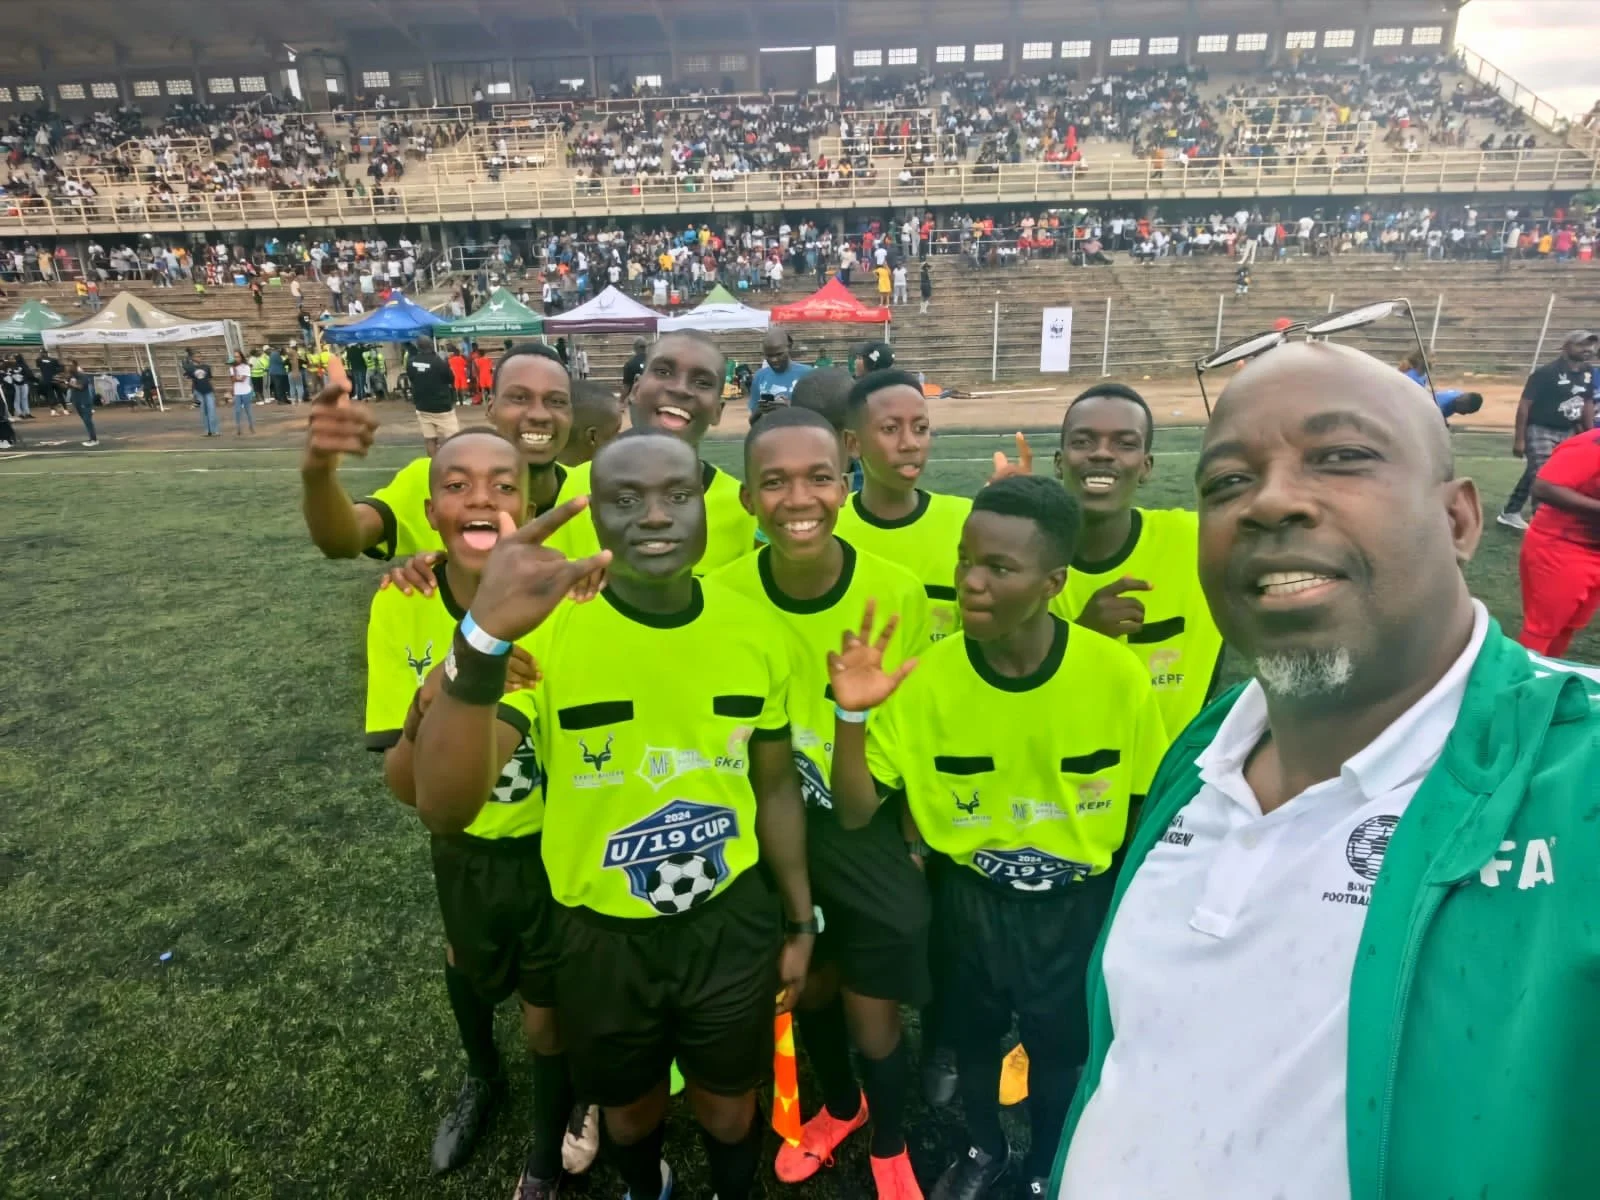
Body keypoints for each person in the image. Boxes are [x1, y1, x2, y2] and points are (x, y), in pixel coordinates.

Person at [1053, 341, 1600, 1200]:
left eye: (1342, 456)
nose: (1270, 501)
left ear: (1459, 520)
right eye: (1228, 481)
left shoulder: (1578, 770)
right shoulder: (1203, 754)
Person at [412, 430, 815, 1200]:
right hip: (597, 936)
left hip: (727, 923)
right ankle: (643, 1185)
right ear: (593, 515)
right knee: (629, 1114)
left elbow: (774, 788)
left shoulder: (758, 632)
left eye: (677, 495)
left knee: (731, 1107)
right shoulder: (546, 632)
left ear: (707, 507)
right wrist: (483, 636)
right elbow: (444, 806)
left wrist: (799, 921)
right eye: (626, 500)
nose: (655, 516)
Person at [829, 475, 1165, 1200]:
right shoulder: (926, 681)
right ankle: (984, 1148)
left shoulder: (1116, 676)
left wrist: (1122, 910)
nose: (970, 583)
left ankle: (1045, 1162)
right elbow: (854, 812)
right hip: (968, 902)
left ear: (1053, 583)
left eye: (999, 568)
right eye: (965, 560)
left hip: (1075, 907)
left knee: (1062, 1053)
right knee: (972, 1041)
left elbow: (1143, 803)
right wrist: (849, 719)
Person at [710, 407, 931, 1200]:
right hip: (765, 829)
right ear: (746, 498)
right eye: (774, 481)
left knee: (875, 1013)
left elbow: (866, 801)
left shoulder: (895, 593)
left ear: (846, 484)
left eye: (819, 478)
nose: (798, 499)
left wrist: (849, 717)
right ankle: (840, 1105)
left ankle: (891, 1142)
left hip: (857, 821)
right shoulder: (719, 597)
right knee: (807, 985)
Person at [364, 430, 575, 1187]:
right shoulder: (403, 602)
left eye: (502, 485)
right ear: (430, 513)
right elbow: (409, 791)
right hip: (465, 849)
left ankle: (545, 1152)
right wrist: (430, 702)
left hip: (556, 849)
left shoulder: (568, 601)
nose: (480, 499)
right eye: (456, 486)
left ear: (530, 501)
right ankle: (482, 1077)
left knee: (547, 1017)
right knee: (467, 961)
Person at [994, 383, 1226, 740]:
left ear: (1146, 466)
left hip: (1174, 773)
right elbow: (1000, 706)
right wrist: (1083, 639)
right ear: (1059, 462)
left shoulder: (1199, 541)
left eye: (1125, 443)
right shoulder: (1017, 566)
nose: (1102, 453)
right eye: (1083, 441)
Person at [301, 345, 581, 563]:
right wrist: (318, 472)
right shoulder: (435, 479)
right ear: (491, 408)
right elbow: (342, 541)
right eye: (519, 397)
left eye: (556, 401)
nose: (539, 415)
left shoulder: (594, 489)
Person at [556, 330, 758, 574]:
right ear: (635, 389)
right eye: (663, 372)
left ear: (717, 410)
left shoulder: (742, 506)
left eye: (702, 382)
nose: (680, 389)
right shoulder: (577, 485)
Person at [835, 371, 971, 641]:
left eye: (921, 428)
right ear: (853, 444)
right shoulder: (830, 527)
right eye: (890, 429)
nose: (910, 444)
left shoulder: (968, 522)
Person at [1499, 330, 1597, 530]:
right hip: (1541, 428)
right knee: (1545, 476)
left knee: (1538, 471)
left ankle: (1510, 512)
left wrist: (1588, 433)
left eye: (1590, 345)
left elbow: (1586, 403)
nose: (1587, 349)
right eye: (1581, 345)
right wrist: (1519, 439)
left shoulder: (1588, 372)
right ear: (1566, 347)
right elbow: (1524, 405)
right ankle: (1543, 523)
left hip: (1568, 430)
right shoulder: (1546, 373)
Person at [1517, 425, 1600, 656]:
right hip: (1561, 546)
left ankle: (1548, 670)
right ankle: (1523, 677)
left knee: (1568, 625)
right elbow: (1544, 488)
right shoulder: (1592, 445)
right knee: (1543, 628)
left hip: (1594, 549)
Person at [406, 338, 459, 455]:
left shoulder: (411, 362)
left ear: (418, 347)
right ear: (431, 345)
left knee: (430, 439)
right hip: (442, 406)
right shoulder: (439, 362)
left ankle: (432, 462)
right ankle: (450, 460)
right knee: (453, 438)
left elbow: (412, 378)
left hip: (422, 405)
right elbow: (450, 379)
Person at [1398, 352, 1483, 422]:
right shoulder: (1413, 379)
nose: (1458, 398)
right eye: (1461, 397)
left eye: (1462, 402)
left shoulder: (1421, 377)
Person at [557, 380, 623, 468]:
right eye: (615, 432)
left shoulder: (541, 471)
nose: (620, 440)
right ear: (592, 437)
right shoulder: (607, 475)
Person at [750, 329, 813, 416]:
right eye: (769, 356)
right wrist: (761, 410)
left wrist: (789, 408)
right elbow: (753, 419)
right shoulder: (759, 376)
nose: (774, 360)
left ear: (789, 347)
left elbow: (817, 415)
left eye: (779, 354)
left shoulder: (808, 374)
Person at [61, 358, 98, 447]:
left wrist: (69, 383)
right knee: (85, 421)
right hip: (77, 401)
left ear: (75, 366)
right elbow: (66, 388)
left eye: (70, 365)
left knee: (87, 420)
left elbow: (81, 387)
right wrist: (61, 383)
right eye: (67, 366)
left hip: (84, 401)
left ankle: (93, 439)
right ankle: (92, 438)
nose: (68, 368)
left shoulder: (82, 376)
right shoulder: (70, 377)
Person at [189, 355, 220, 437]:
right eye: (197, 356)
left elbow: (210, 379)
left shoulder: (206, 367)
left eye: (200, 356)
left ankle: (215, 430)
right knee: (203, 411)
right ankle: (207, 430)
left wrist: (214, 390)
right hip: (198, 392)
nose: (199, 358)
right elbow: (193, 381)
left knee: (212, 410)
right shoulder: (191, 369)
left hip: (208, 391)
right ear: (193, 358)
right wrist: (193, 393)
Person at [230, 350, 256, 435]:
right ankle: (238, 428)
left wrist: (236, 377)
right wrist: (235, 372)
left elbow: (243, 379)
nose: (236, 358)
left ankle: (251, 426)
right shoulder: (232, 368)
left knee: (248, 410)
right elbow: (232, 380)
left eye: (238, 357)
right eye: (235, 357)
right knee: (237, 411)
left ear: (241, 357)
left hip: (246, 391)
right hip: (237, 392)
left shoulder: (246, 367)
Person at [37, 348, 63, 416]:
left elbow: (60, 368)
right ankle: (54, 409)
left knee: (54, 394)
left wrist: (55, 372)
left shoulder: (48, 360)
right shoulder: (50, 360)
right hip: (49, 379)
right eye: (42, 353)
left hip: (52, 379)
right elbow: (60, 368)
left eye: (43, 353)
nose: (42, 354)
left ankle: (57, 408)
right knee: (51, 394)